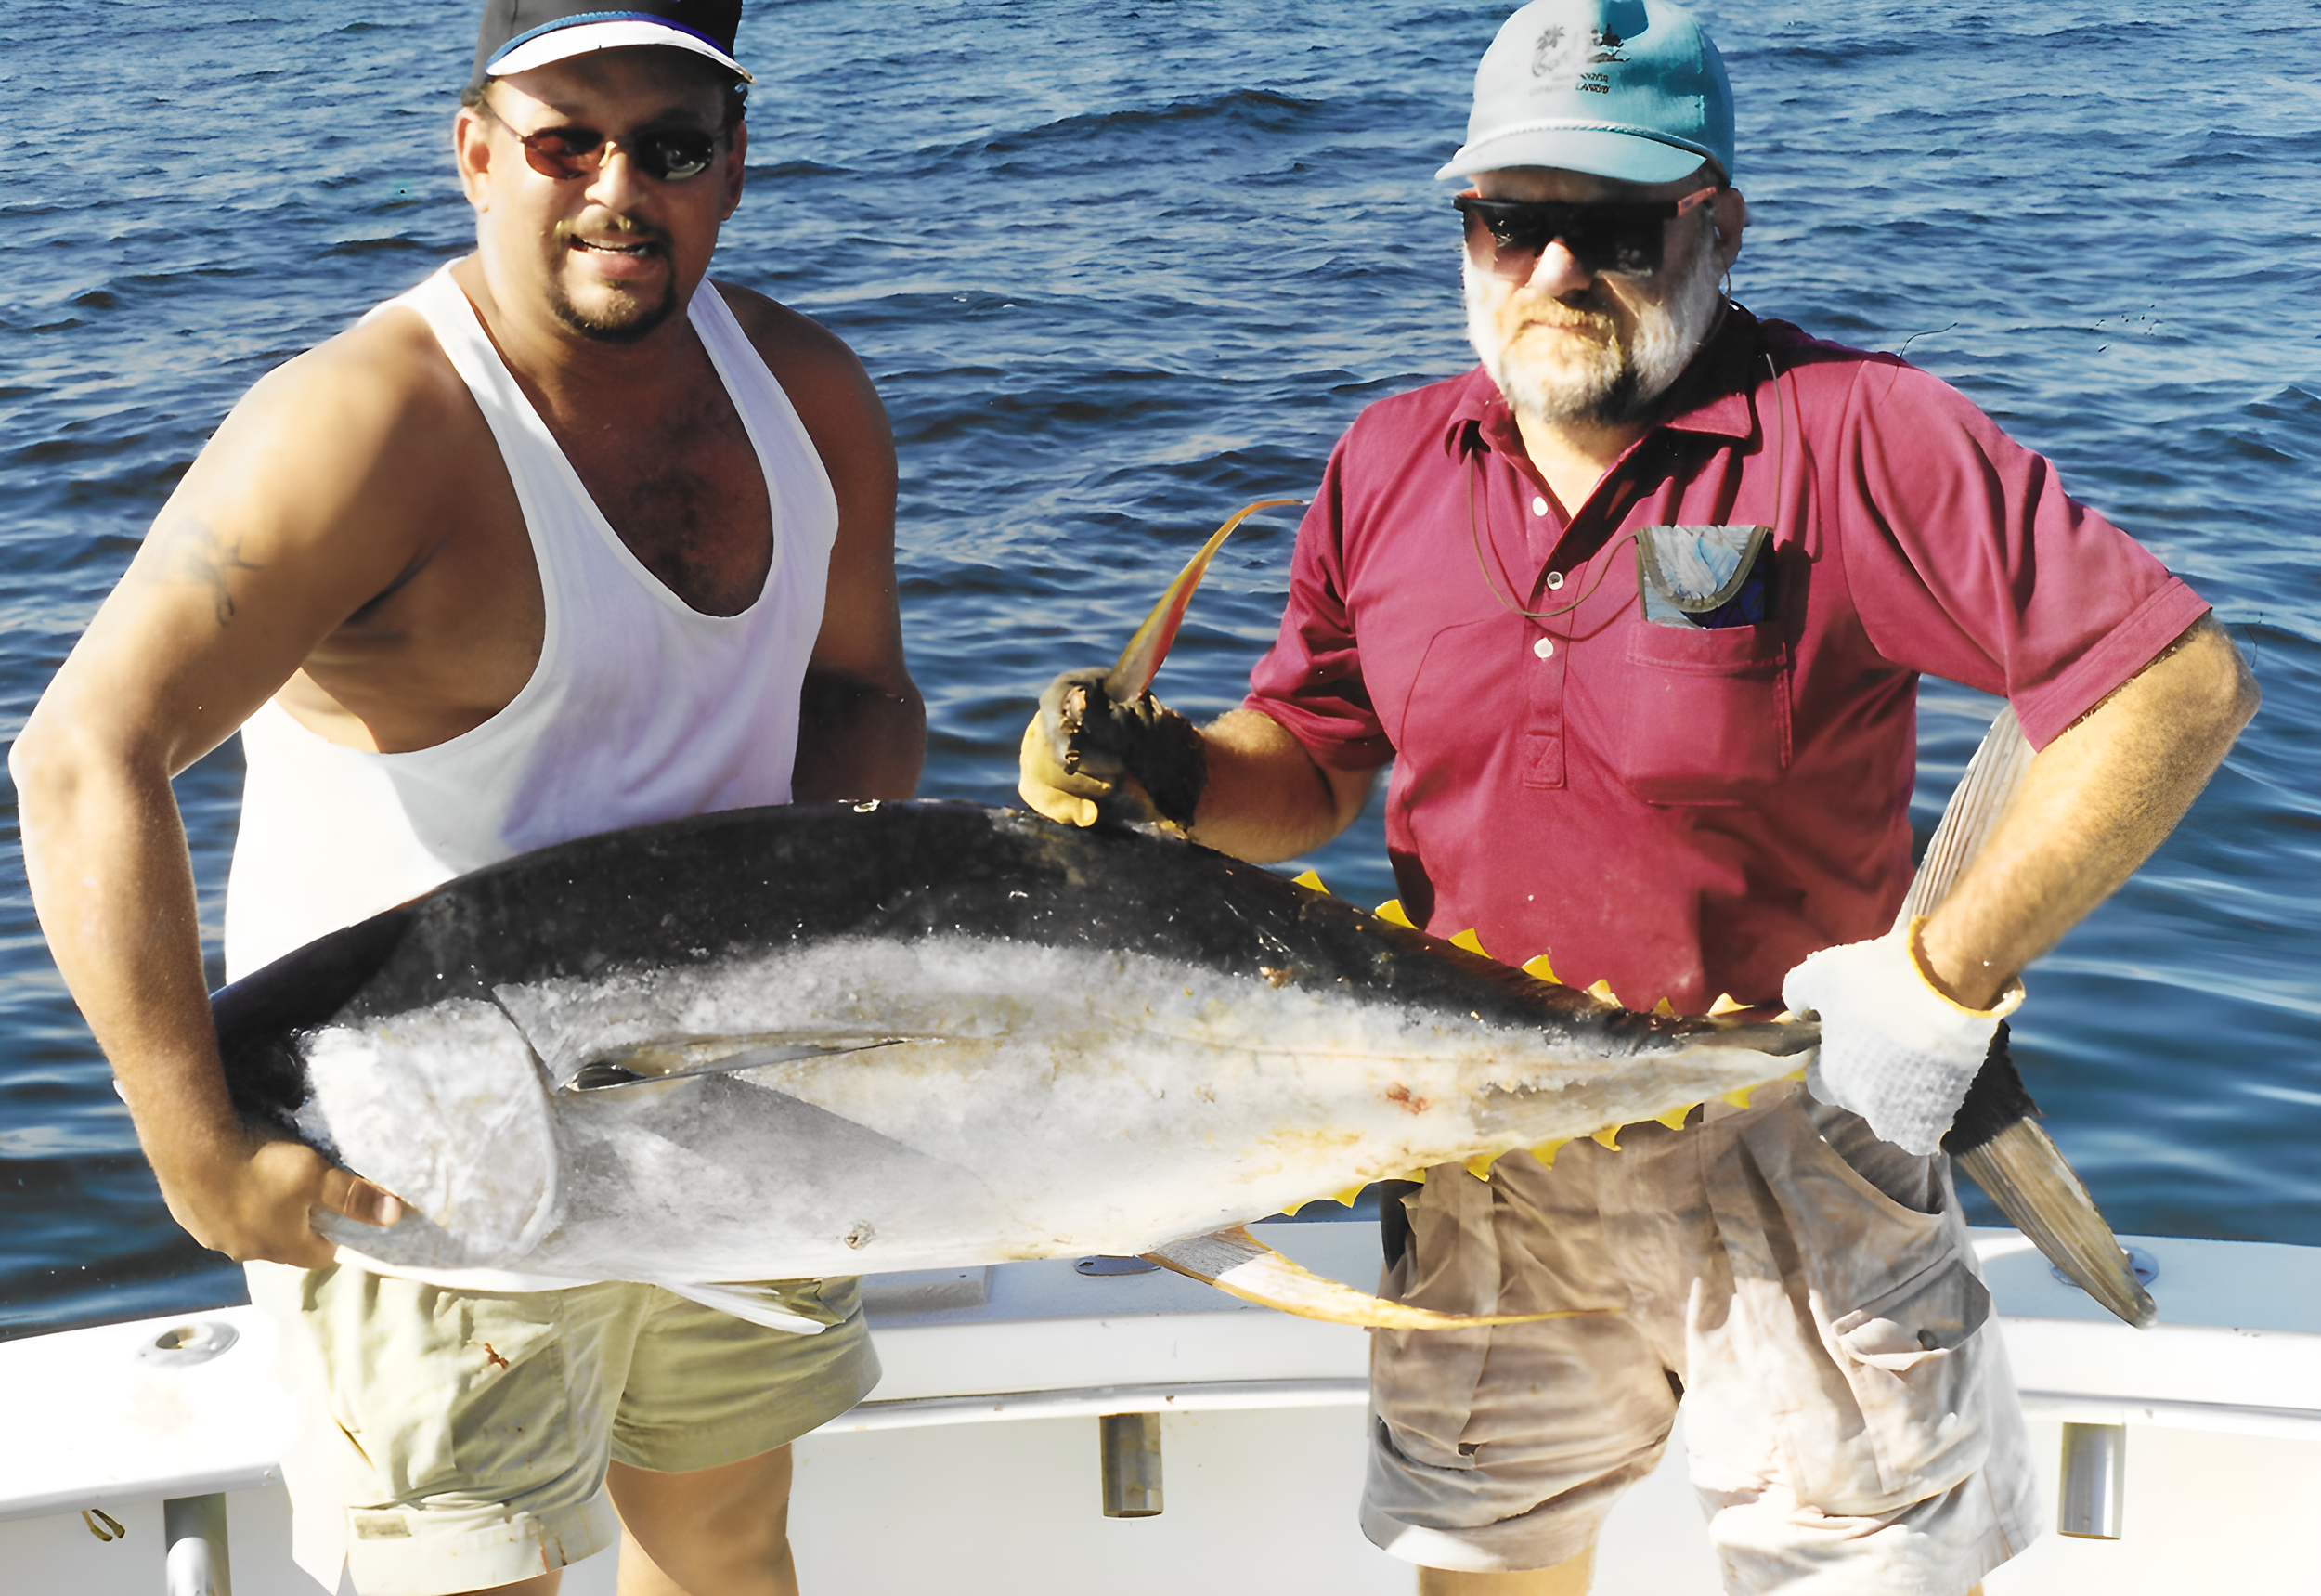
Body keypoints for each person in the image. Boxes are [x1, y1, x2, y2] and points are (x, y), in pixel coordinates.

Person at [1020, 1, 2255, 1591]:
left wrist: (1940, 984)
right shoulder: (1387, 462)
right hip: (1479, 1142)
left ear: (1717, 223)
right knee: (1486, 1565)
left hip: (1794, 1140)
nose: (1551, 271)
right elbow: (1316, 759)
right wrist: (1174, 771)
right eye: (1510, 220)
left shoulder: (1857, 436)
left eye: (1609, 226)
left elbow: (2171, 682)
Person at [10, 1, 922, 1591]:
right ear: (477, 154)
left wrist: (822, 968)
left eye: (671, 143)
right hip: (418, 1150)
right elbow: (84, 756)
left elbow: (859, 696)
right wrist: (198, 1152)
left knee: (725, 1546)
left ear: (733, 167)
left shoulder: (808, 396)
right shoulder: (370, 427)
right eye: (568, 138)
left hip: (730, 1123)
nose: (617, 186)